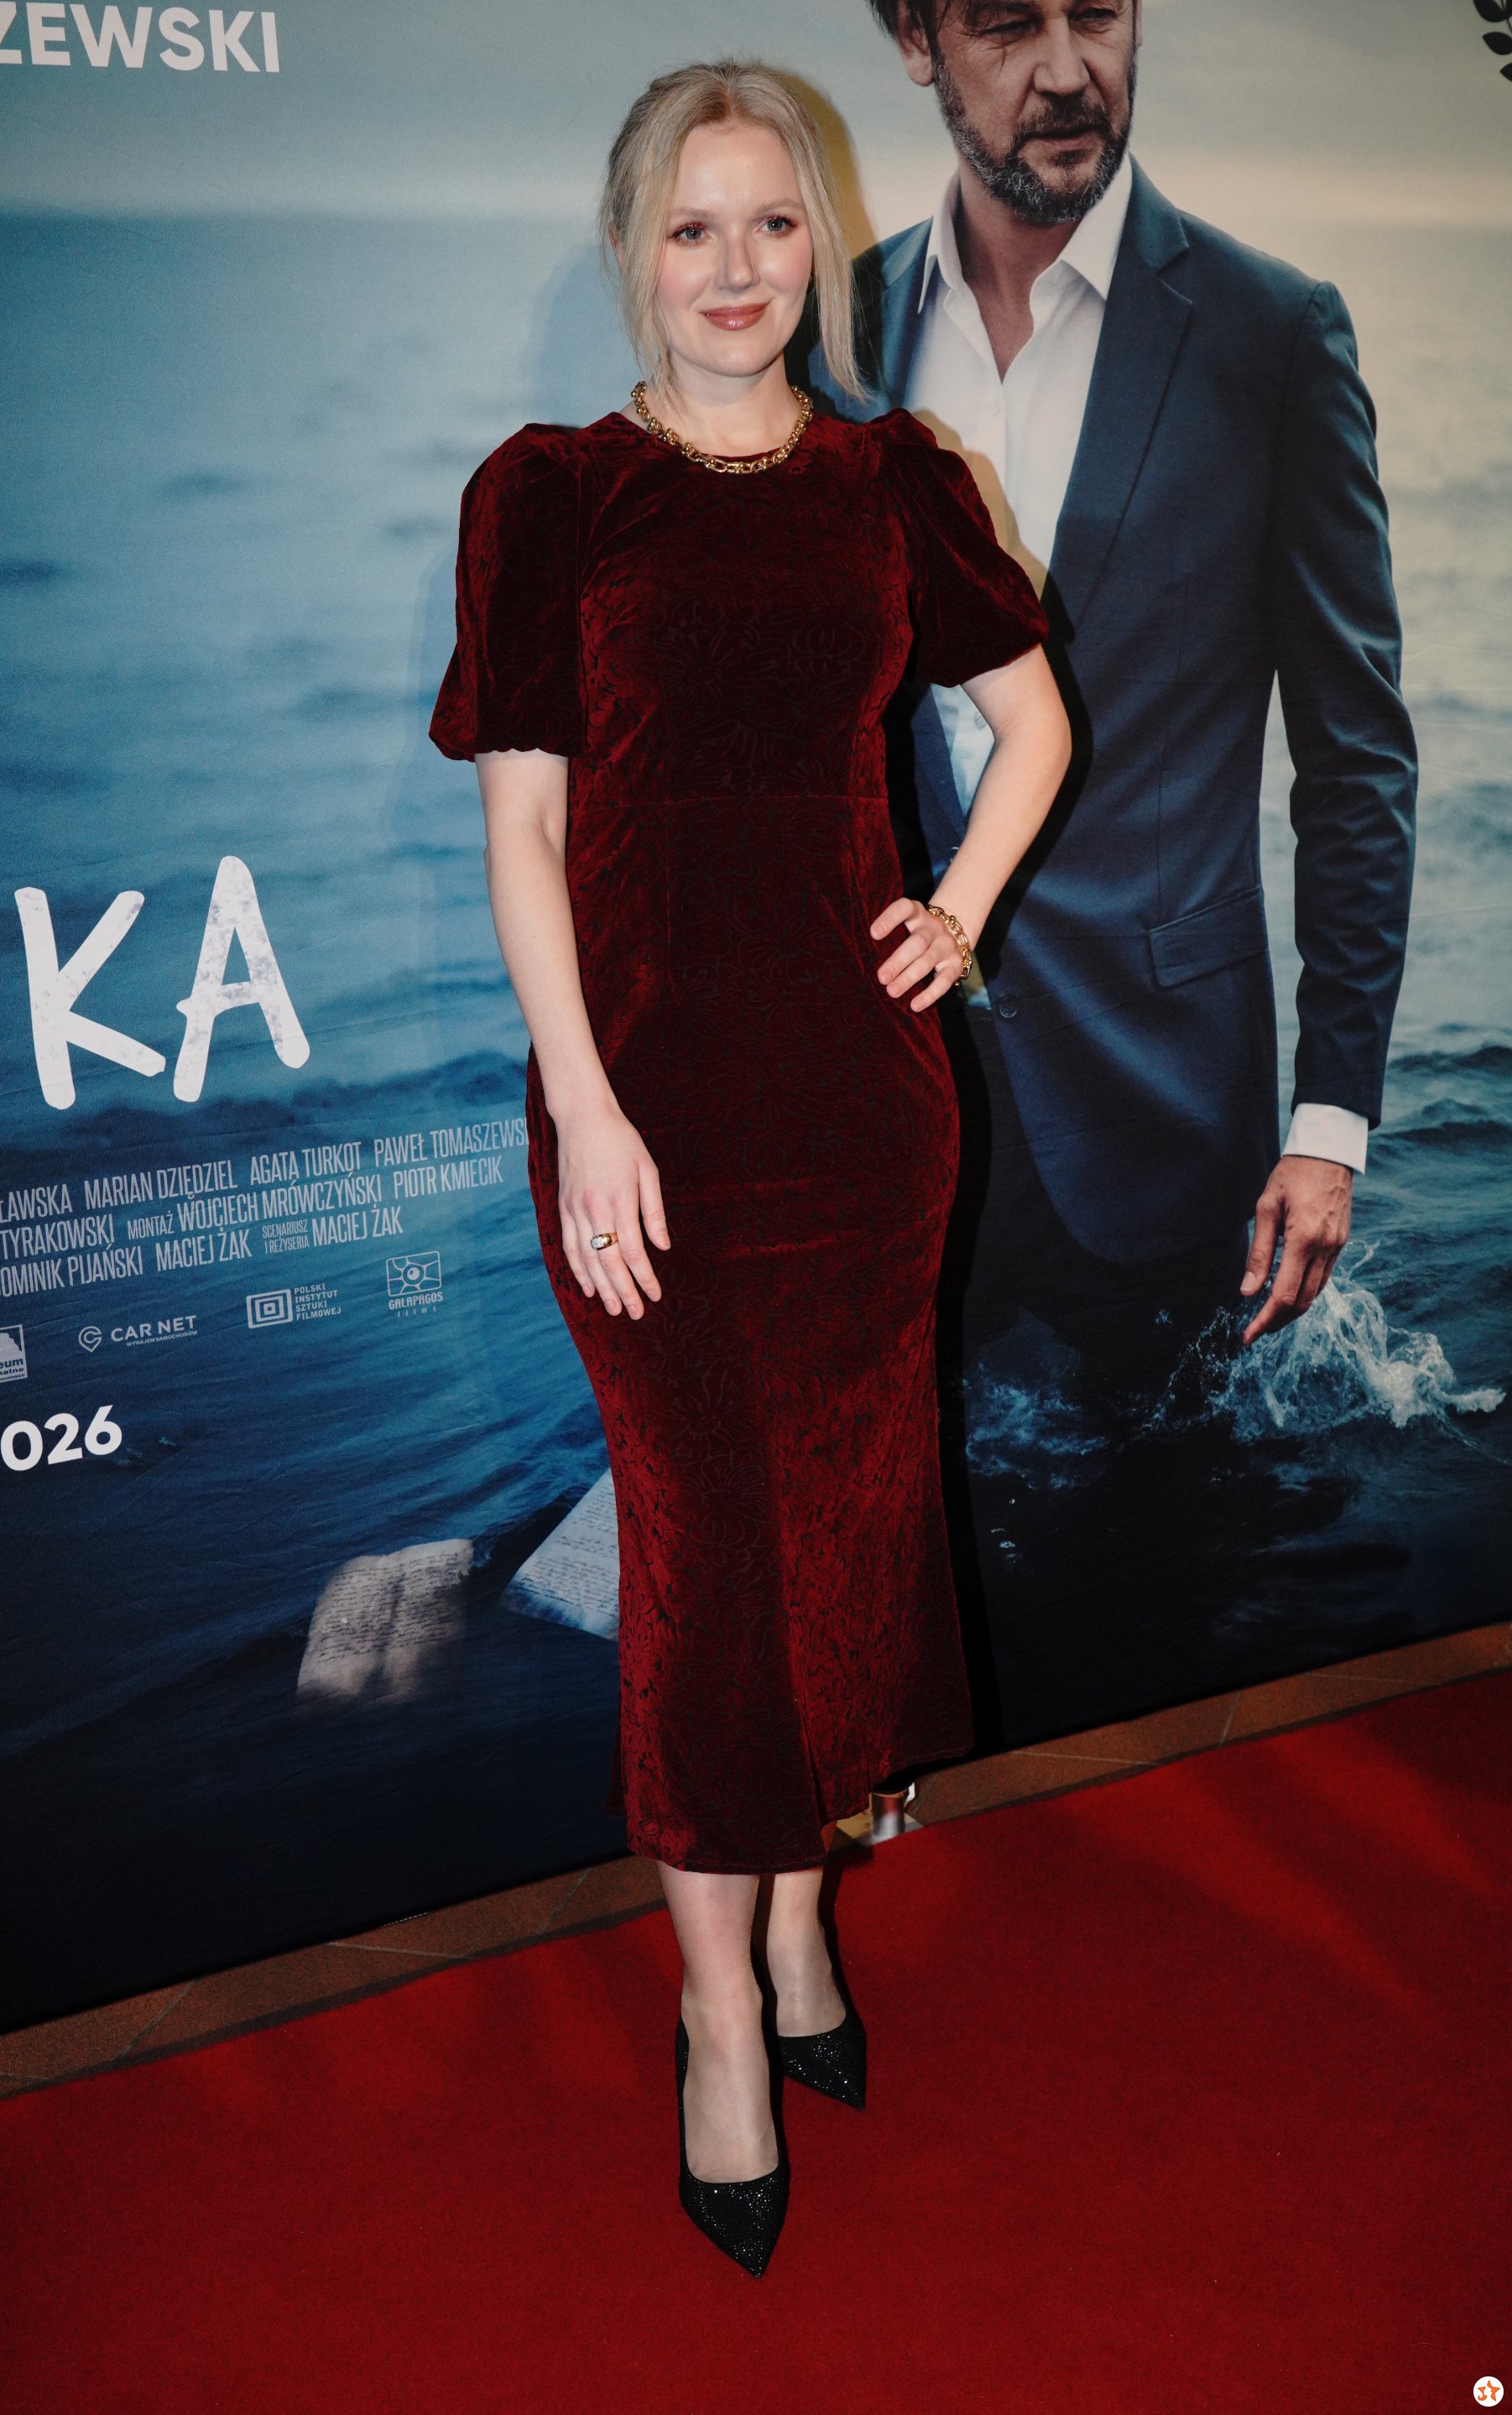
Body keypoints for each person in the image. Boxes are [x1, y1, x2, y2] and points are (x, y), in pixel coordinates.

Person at [431, 60, 1067, 2275]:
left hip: (863, 1117)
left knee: (852, 1549)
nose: (737, 266)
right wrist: (589, 1103)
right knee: (707, 1576)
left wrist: (959, 909)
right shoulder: (552, 492)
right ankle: (720, 2010)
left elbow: (1035, 722)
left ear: (820, 239)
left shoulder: (898, 482)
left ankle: (800, 1923)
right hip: (643, 1115)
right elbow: (524, 828)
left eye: (773, 222)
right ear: (635, 247)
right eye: (693, 226)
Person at [801, 0, 1416, 1397]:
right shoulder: (835, 338)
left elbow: (1356, 756)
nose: (1069, 69)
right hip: (899, 1108)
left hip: (1168, 1110)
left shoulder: (1274, 335)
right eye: (1010, 25)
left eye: (1100, 13)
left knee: (1189, 1520)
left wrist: (1331, 1119)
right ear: (915, 39)